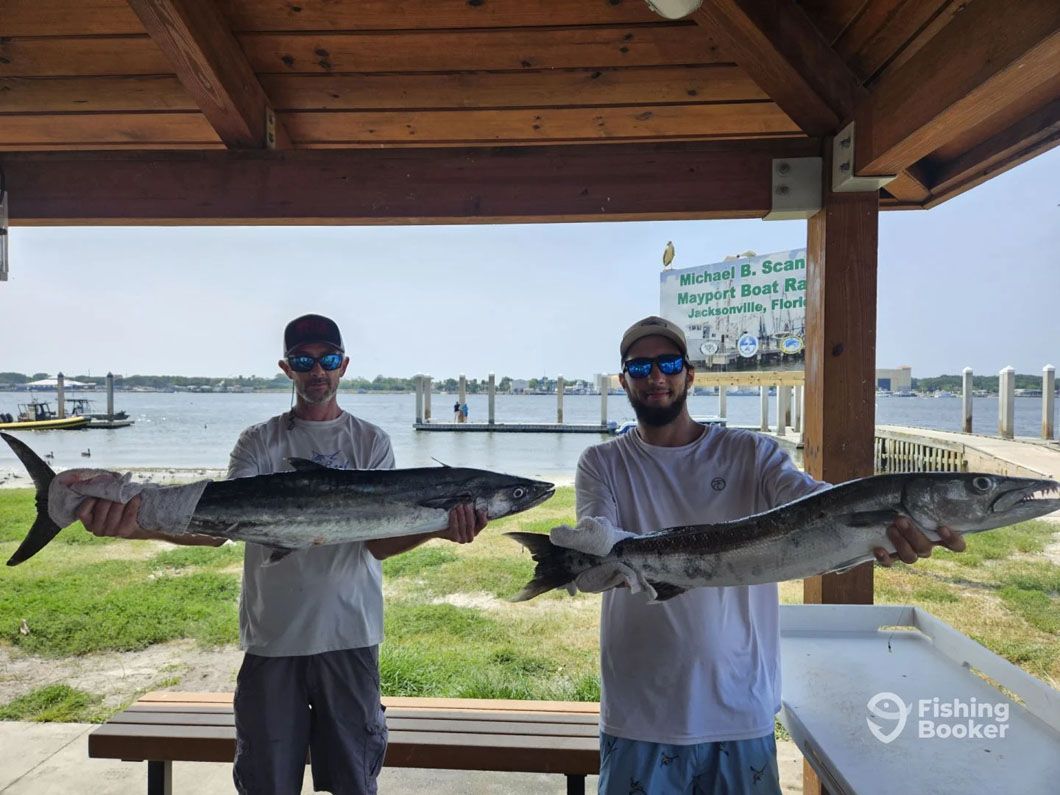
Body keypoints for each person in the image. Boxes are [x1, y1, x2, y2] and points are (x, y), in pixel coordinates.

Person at [76, 313, 487, 795]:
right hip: (273, 638)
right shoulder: (259, 441)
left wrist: (439, 526)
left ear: (344, 365)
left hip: (349, 634)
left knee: (353, 780)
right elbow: (218, 526)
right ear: (286, 367)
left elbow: (377, 541)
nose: (318, 370)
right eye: (304, 360)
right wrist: (139, 526)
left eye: (328, 359)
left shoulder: (370, 441)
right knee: (267, 783)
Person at [564, 316, 965, 795]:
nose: (656, 376)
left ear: (690, 374)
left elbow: (815, 504)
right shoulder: (602, 462)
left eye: (669, 363)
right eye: (640, 366)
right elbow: (601, 532)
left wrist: (885, 531)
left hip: (739, 708)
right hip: (640, 710)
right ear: (623, 379)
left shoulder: (751, 453)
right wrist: (589, 549)